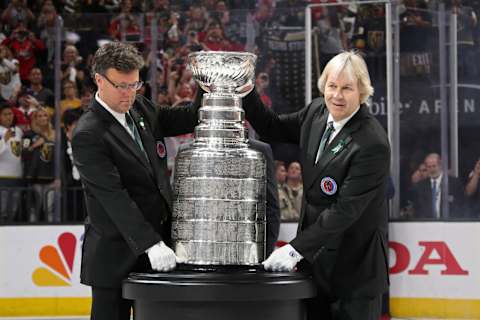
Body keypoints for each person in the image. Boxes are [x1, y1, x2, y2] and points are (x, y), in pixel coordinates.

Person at [242, 51, 390, 319]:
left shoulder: (372, 143)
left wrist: (295, 248)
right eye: (332, 86)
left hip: (354, 272)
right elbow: (272, 126)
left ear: (362, 92)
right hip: (316, 264)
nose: (337, 96)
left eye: (347, 88)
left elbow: (344, 210)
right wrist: (247, 91)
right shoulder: (317, 112)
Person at [71, 42, 202, 320]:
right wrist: (149, 244)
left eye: (134, 85)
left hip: (158, 250)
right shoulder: (88, 134)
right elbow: (114, 198)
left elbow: (188, 118)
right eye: (121, 86)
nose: (128, 94)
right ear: (99, 80)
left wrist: (205, 81)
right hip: (116, 254)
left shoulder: (139, 108)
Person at [249, 139, 280, 256]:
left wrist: (266, 253)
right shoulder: (189, 149)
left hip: (250, 253)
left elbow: (271, 204)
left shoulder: (260, 149)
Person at [410, 153, 464, 219]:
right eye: (429, 167)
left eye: (434, 166)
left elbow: (461, 206)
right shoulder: (420, 186)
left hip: (449, 225)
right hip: (427, 226)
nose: (432, 170)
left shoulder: (454, 183)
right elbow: (418, 210)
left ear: (440, 165)